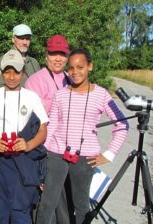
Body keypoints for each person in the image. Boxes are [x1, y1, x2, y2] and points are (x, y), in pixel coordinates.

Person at [35, 49, 129, 224]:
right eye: (71, 68)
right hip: (56, 155)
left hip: (85, 158)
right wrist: (43, 157)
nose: (75, 72)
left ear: (90, 67)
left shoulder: (101, 95)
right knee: (47, 204)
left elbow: (122, 124)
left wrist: (108, 155)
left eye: (80, 67)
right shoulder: (60, 94)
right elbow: (52, 125)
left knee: (81, 207)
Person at [0, 49, 48, 223]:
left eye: (16, 72)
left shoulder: (32, 97)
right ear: (1, 72)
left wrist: (29, 145)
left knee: (21, 211)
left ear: (23, 72)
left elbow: (43, 129)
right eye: (7, 71)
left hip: (22, 159)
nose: (12, 77)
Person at [25, 34, 72, 223]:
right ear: (47, 56)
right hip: (45, 149)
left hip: (68, 149)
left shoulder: (71, 79)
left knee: (64, 202)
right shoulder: (34, 81)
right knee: (45, 204)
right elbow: (31, 122)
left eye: (62, 54)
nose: (58, 58)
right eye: (54, 54)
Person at [0, 24, 40, 88]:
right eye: (21, 38)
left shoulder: (34, 62)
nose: (25, 42)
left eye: (27, 39)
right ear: (13, 39)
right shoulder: (4, 60)